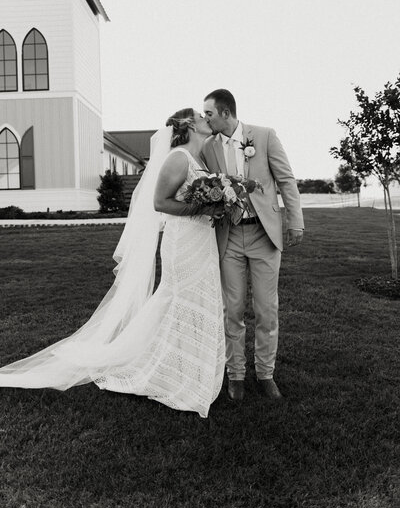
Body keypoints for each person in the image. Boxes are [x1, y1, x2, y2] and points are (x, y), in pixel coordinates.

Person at [0, 109, 225, 419]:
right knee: (178, 300)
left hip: (202, 242)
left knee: (194, 299)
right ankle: (171, 371)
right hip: (183, 241)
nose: (205, 118)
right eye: (200, 115)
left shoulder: (198, 161)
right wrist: (203, 208)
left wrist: (214, 205)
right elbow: (160, 203)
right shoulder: (179, 158)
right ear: (189, 126)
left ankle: (188, 367)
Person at [202, 89, 304, 402]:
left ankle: (266, 373)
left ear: (225, 113)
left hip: (264, 235)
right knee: (232, 310)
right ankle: (236, 376)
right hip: (229, 236)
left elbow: (286, 180)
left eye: (208, 114)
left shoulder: (264, 136)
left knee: (266, 310)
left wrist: (295, 221)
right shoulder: (208, 147)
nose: (205, 119)